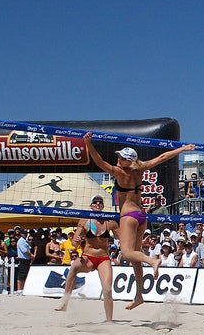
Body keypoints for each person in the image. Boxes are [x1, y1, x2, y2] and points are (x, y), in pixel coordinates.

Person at [83, 132, 195, 309]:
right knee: (135, 258)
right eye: (119, 156)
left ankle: (152, 261)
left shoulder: (119, 172)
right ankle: (139, 296)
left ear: (129, 161)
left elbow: (98, 162)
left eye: (122, 157)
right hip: (141, 216)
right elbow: (163, 156)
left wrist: (88, 144)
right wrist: (182, 148)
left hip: (128, 216)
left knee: (127, 254)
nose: (118, 158)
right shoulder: (141, 168)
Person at [55, 194, 119, 321]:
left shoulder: (110, 221)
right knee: (73, 268)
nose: (98, 204)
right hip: (88, 257)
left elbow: (122, 238)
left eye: (100, 202)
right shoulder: (85, 221)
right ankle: (65, 301)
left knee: (107, 290)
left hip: (103, 259)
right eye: (95, 202)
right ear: (91, 205)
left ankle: (109, 321)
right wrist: (77, 240)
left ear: (103, 205)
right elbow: (73, 244)